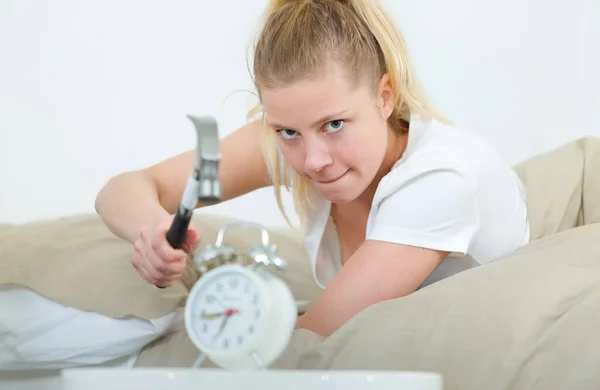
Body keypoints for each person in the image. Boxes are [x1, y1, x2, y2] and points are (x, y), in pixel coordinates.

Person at [95, 0, 530, 337]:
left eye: (335, 124)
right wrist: (151, 231)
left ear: (385, 96)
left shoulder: (440, 180)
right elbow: (122, 190)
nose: (312, 160)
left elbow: (314, 338)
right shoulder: (291, 138)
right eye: (287, 132)